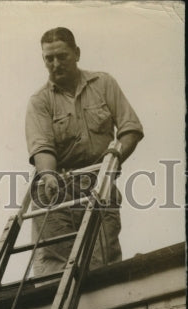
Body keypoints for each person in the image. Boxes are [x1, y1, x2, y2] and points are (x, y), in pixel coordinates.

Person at [25, 27, 144, 276]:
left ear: (77, 53)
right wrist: (48, 176)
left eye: (62, 56)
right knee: (55, 273)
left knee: (102, 267)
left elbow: (130, 129)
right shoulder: (39, 101)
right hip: (58, 187)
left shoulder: (104, 84)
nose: (56, 64)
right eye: (49, 58)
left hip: (99, 183)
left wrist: (115, 158)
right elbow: (42, 147)